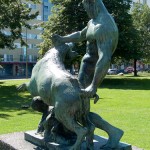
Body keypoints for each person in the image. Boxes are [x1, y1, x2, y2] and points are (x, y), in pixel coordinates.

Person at [52, 0, 123, 149]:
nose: (86, 11)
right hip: (85, 70)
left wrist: (93, 86)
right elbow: (81, 35)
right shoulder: (93, 21)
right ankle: (72, 131)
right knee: (77, 107)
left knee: (76, 106)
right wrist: (63, 39)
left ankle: (113, 132)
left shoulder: (104, 26)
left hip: (92, 73)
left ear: (92, 4)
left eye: (85, 7)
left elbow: (105, 58)